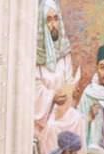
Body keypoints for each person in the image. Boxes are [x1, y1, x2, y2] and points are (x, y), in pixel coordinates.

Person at [36, 0, 76, 135]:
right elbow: (35, 88)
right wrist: (52, 96)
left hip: (62, 110)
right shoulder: (36, 55)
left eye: (55, 18)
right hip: (44, 114)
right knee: (52, 127)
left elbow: (68, 80)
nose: (53, 24)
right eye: (48, 20)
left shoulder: (64, 52)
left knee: (77, 119)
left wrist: (71, 90)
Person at [81, 45, 104, 154]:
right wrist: (89, 117)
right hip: (94, 151)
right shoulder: (88, 94)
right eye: (102, 67)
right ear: (97, 68)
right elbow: (78, 126)